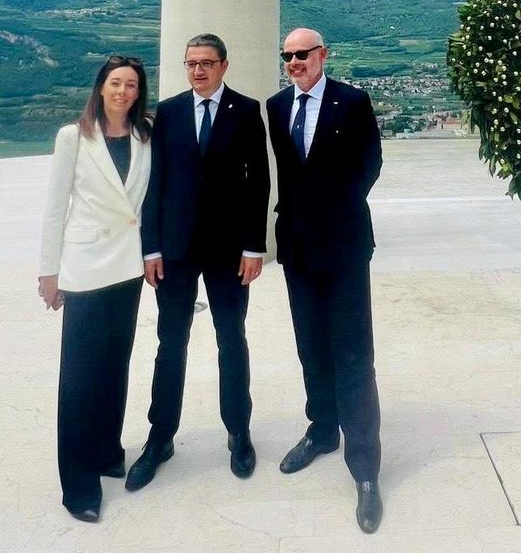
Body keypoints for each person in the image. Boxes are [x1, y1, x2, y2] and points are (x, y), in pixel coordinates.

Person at [126, 33, 270, 491]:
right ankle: (160, 438)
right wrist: (151, 248)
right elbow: (154, 183)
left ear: (224, 65)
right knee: (171, 343)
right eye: (191, 63)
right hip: (175, 250)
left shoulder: (246, 111)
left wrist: (254, 247)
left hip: (230, 252)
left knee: (232, 339)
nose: (198, 71)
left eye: (207, 63)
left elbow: (258, 183)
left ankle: (238, 432)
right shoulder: (168, 113)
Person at [266, 27, 384, 534]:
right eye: (287, 55)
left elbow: (370, 163)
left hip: (344, 244)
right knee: (311, 346)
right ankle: (321, 430)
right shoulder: (276, 107)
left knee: (353, 354)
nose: (294, 62)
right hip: (297, 249)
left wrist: (332, 209)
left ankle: (365, 467)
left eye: (302, 54)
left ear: (322, 55)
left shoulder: (352, 102)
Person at [39, 54, 152, 523]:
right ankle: (79, 485)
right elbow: (55, 206)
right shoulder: (74, 136)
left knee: (113, 366)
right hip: (84, 267)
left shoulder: (146, 135)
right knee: (80, 378)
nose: (123, 91)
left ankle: (107, 450)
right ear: (101, 88)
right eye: (115, 83)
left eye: (131, 85)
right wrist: (49, 272)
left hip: (127, 268)